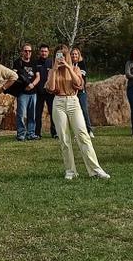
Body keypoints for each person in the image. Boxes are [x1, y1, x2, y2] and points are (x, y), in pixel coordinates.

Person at [46, 44, 111, 179]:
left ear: (67, 56)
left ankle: (95, 170)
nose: (61, 58)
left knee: (83, 134)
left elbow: (79, 84)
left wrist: (68, 67)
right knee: (64, 138)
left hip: (73, 101)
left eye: (63, 55)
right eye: (58, 55)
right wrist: (54, 69)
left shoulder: (75, 68)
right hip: (58, 102)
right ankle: (70, 171)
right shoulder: (52, 71)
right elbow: (51, 88)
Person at [9, 44, 40, 141]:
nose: (28, 53)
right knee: (21, 114)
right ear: (22, 51)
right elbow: (13, 75)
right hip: (22, 92)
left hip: (33, 92)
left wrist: (32, 85)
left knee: (32, 114)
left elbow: (38, 76)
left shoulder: (34, 62)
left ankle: (31, 133)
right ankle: (21, 134)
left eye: (30, 51)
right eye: (26, 51)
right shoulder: (18, 62)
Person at [71, 47, 94, 138]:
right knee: (75, 113)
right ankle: (77, 132)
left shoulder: (82, 64)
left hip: (81, 91)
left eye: (76, 54)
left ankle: (89, 130)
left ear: (79, 55)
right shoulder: (68, 64)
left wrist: (79, 86)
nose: (74, 55)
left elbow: (81, 78)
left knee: (84, 110)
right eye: (72, 54)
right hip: (71, 92)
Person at [34, 44, 55, 139]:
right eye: (42, 51)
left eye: (45, 51)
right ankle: (37, 133)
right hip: (39, 92)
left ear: (48, 52)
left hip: (50, 92)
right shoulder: (35, 62)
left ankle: (54, 133)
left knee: (53, 113)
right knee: (38, 113)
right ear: (39, 52)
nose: (44, 53)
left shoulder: (52, 62)